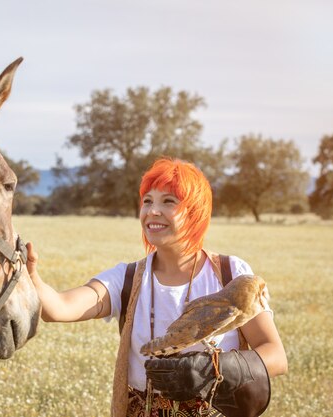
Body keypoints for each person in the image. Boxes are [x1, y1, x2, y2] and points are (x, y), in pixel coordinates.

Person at [26, 158, 287, 417]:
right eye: (147, 201)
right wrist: (30, 278)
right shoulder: (127, 278)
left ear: (194, 212)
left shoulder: (232, 274)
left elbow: (276, 357)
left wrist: (214, 369)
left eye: (168, 202)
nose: (152, 211)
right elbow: (58, 308)